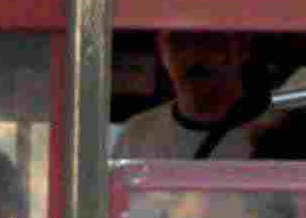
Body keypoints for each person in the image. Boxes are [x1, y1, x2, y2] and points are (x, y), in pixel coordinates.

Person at [112, 29, 281, 159]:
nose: (193, 57)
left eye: (209, 40)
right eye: (177, 42)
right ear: (162, 51)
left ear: (242, 47)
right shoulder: (136, 134)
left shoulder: (280, 132)